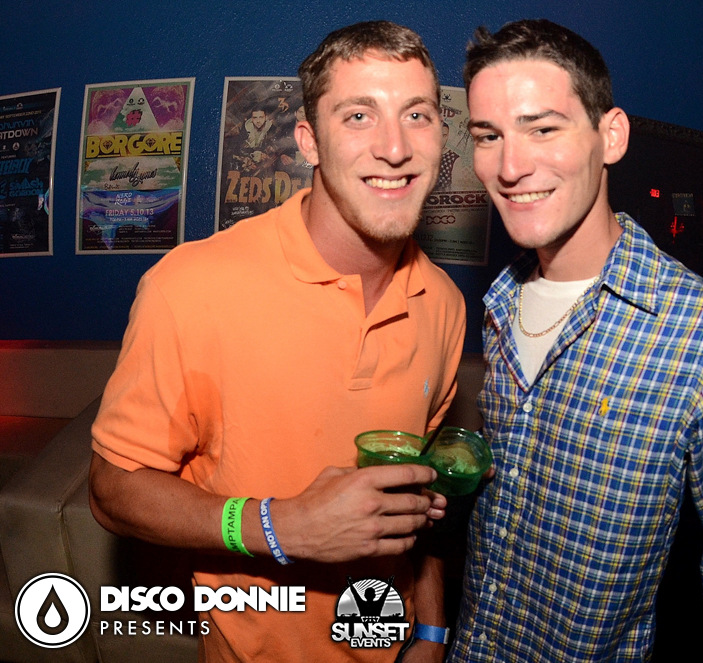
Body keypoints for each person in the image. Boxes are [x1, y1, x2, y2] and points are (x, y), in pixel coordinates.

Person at [89, 21, 465, 663]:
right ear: (309, 141)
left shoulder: (446, 304)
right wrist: (279, 525)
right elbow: (112, 489)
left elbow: (419, 493)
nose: (395, 147)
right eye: (358, 115)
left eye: (417, 115)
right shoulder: (191, 286)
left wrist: (430, 630)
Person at [450, 19, 703, 661]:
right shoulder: (499, 301)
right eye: (489, 136)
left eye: (542, 128)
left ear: (611, 136)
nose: (511, 167)